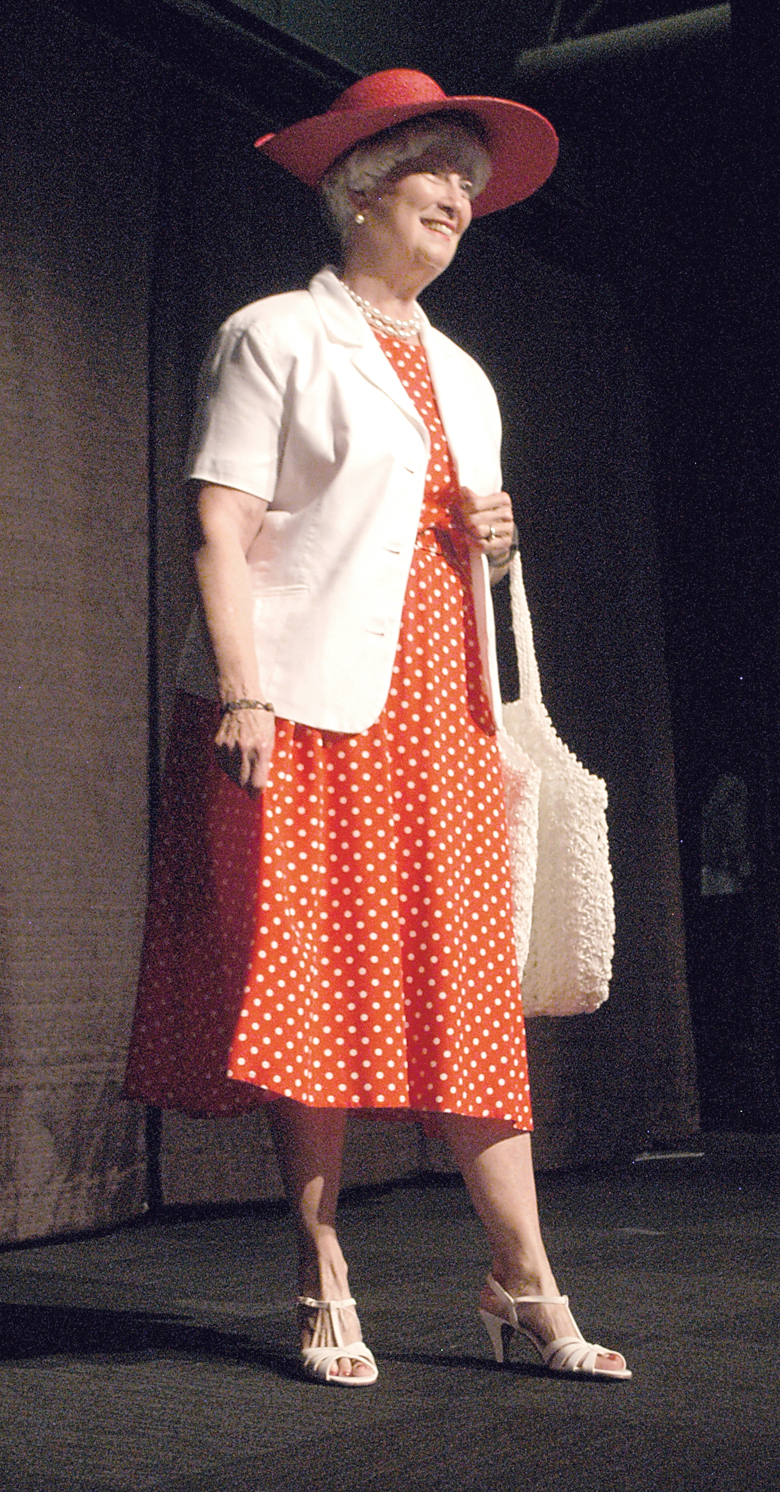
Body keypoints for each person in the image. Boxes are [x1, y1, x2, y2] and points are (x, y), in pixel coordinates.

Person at [125, 68, 631, 1386]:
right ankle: (319, 1259)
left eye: (470, 173)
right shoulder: (275, 335)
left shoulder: (466, 375)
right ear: (359, 190)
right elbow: (220, 531)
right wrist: (243, 691)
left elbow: (445, 540)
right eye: (434, 167)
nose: (460, 192)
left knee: (470, 996)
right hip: (306, 706)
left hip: (444, 709)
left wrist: (498, 548)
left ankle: (523, 1277)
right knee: (318, 987)